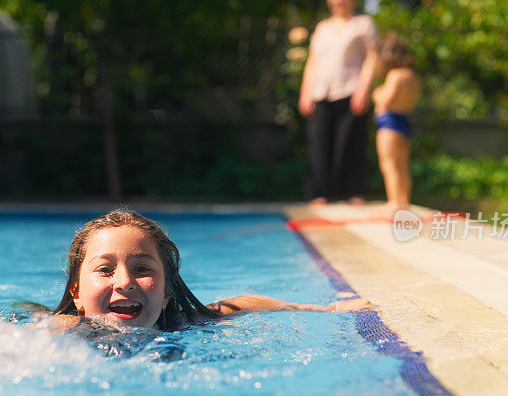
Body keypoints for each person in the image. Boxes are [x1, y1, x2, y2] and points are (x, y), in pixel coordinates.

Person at [51, 208, 372, 332]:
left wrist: (327, 309)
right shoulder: (68, 329)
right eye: (105, 269)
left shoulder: (182, 323)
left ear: (165, 294)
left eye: (142, 269)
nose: (125, 281)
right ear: (76, 293)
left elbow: (244, 302)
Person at [298, 0, 378, 205]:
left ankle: (354, 191)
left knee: (351, 143)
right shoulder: (322, 28)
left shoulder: (363, 24)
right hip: (321, 93)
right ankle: (320, 193)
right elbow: (312, 61)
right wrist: (305, 92)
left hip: (350, 91)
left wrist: (363, 89)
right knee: (319, 144)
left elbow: (372, 58)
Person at [371, 33, 421, 215]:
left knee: (389, 164)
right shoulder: (412, 76)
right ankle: (404, 201)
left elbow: (387, 100)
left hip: (389, 123)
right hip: (405, 121)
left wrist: (377, 93)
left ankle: (394, 202)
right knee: (402, 165)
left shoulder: (395, 75)